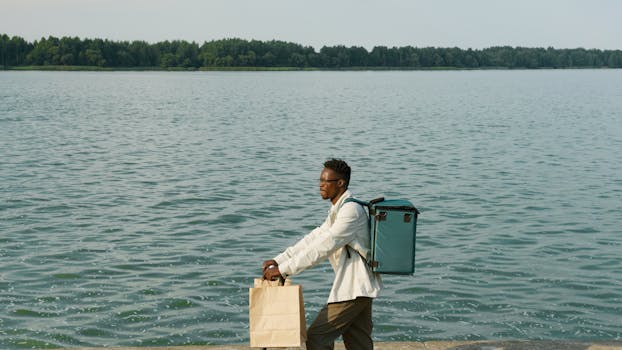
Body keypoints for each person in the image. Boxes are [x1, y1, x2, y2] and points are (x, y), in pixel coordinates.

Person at [262, 158, 382, 350]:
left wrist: (283, 270)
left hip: (354, 288)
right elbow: (314, 238)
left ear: (341, 183)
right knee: (359, 343)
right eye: (320, 180)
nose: (321, 185)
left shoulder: (351, 212)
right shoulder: (339, 209)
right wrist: (280, 259)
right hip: (359, 288)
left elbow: (323, 247)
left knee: (317, 338)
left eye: (326, 181)